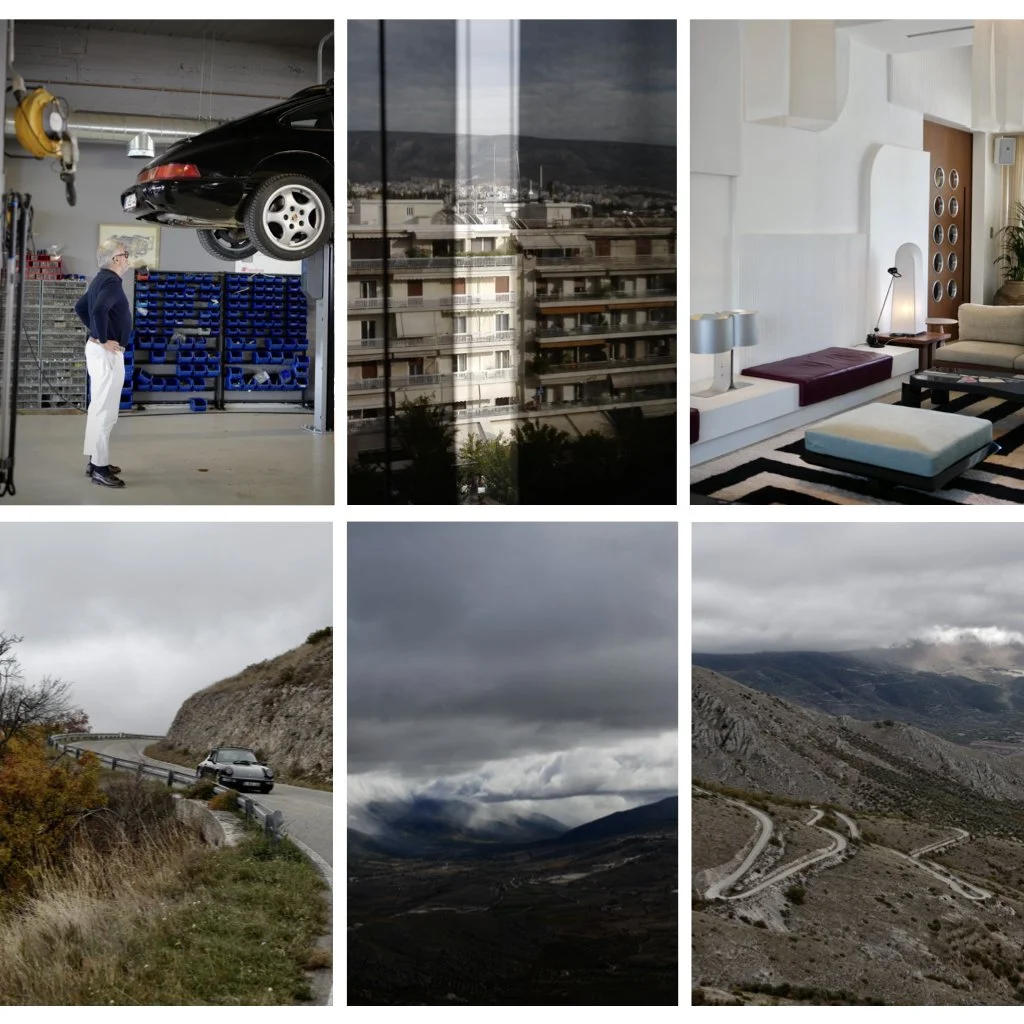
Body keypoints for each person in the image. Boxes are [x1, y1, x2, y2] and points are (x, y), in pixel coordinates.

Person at [75, 238, 133, 487]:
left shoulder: (100, 279)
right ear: (116, 259)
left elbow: (80, 307)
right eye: (125, 254)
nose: (127, 258)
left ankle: (95, 461)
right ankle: (99, 468)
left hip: (100, 352)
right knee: (105, 411)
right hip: (106, 354)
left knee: (99, 408)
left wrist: (98, 337)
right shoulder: (111, 281)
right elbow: (97, 310)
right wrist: (102, 338)